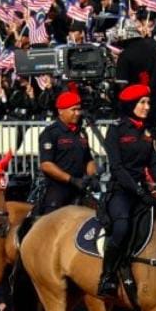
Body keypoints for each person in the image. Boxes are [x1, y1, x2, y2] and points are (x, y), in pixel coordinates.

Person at [97, 81, 156, 298]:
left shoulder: (149, 131)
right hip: (121, 190)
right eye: (142, 102)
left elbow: (155, 164)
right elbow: (117, 168)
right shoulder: (116, 130)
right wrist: (137, 191)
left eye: (148, 102)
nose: (147, 106)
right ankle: (108, 276)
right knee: (122, 228)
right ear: (131, 105)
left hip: (143, 190)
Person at [35, 85, 98, 217]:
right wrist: (71, 180)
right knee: (51, 226)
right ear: (61, 111)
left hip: (80, 189)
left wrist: (92, 176)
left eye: (79, 109)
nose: (77, 113)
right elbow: (46, 165)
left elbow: (88, 159)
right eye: (73, 110)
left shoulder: (81, 133)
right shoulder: (51, 133)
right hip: (58, 189)